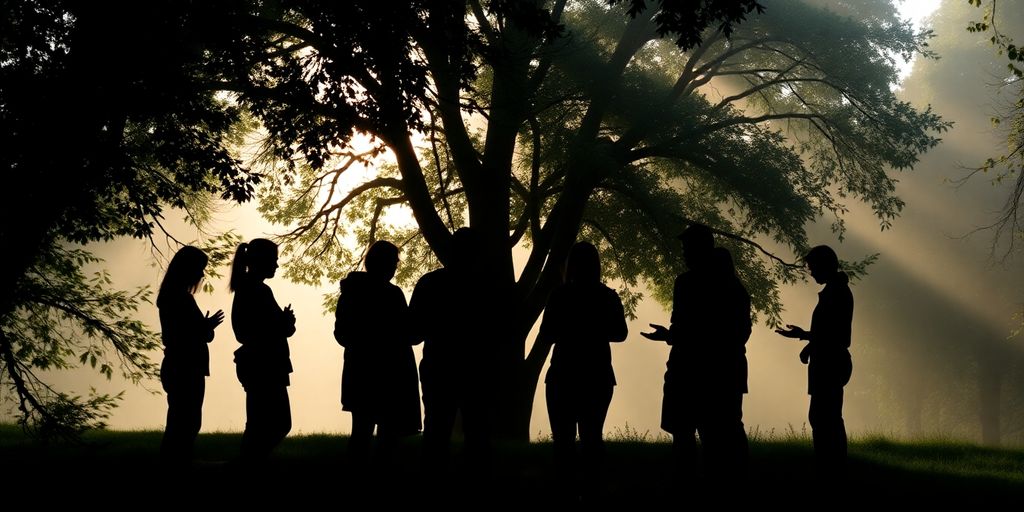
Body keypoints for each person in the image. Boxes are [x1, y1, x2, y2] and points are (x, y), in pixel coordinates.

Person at [642, 224, 751, 482]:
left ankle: (688, 485)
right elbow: (740, 333)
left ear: (699, 249)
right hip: (725, 371)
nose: (683, 253)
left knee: (685, 435)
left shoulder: (687, 283)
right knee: (724, 434)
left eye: (687, 248)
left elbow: (685, 329)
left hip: (688, 371)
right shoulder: (733, 286)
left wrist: (670, 336)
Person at [537, 242, 627, 497]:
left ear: (571, 266)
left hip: (562, 374)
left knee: (562, 442)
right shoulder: (607, 296)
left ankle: (563, 491)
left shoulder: (559, 295)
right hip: (597, 375)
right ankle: (593, 490)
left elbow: (545, 335)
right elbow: (620, 333)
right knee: (592, 437)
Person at [409, 227, 493, 474]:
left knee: (436, 428)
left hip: (438, 366)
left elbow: (413, 332)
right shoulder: (485, 287)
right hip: (475, 368)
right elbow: (497, 329)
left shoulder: (430, 283)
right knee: (478, 431)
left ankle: (433, 481)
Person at [334, 240, 421, 464]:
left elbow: (341, 334)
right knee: (388, 437)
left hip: (360, 371)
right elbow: (409, 333)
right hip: (391, 374)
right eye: (394, 262)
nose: (396, 267)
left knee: (361, 432)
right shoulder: (393, 295)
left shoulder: (351, 292)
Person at [775, 245, 853, 477]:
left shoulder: (835, 293)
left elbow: (839, 336)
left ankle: (830, 467)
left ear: (823, 266)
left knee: (824, 417)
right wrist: (807, 340)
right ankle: (831, 466)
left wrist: (807, 339)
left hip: (830, 364)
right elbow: (831, 333)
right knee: (825, 416)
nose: (810, 273)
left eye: (812, 268)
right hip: (830, 362)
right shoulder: (836, 291)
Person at [230, 238, 296, 462]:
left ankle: (248, 464)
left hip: (259, 363)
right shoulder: (257, 290)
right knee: (277, 423)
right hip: (265, 364)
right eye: (274, 260)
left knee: (260, 422)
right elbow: (251, 330)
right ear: (263, 261)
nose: (277, 265)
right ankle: (248, 463)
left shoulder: (247, 288)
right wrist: (284, 323)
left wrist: (283, 323)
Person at [157, 246, 224, 465]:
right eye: (200, 269)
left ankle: (174, 462)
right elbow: (189, 334)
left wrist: (203, 327)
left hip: (180, 365)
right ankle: (175, 464)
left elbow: (187, 332)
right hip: (186, 366)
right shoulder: (180, 299)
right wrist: (206, 326)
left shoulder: (170, 296)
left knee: (181, 420)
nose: (202, 275)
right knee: (187, 421)